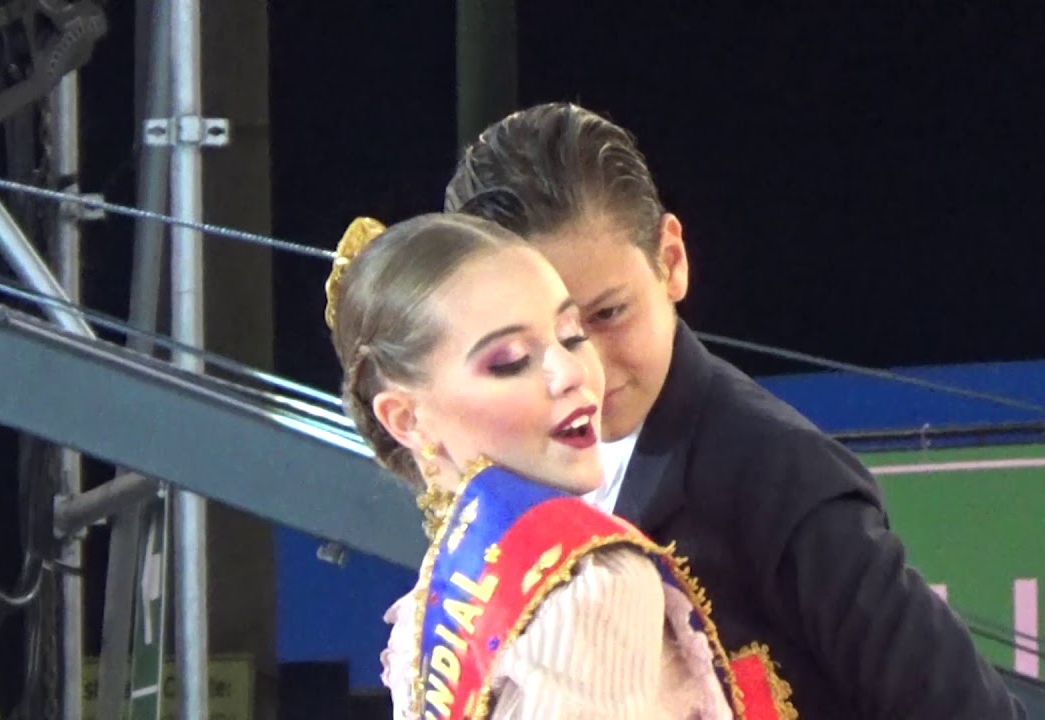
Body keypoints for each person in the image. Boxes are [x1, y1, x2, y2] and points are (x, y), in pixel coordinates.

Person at [443, 102, 1027, 719]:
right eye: (531, 344)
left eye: (608, 314)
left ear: (671, 261)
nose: (582, 367)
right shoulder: (499, 483)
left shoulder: (777, 473)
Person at [323, 213, 794, 719]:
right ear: (408, 419)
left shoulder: (425, 619)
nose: (572, 373)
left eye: (571, 336)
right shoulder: (593, 585)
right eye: (510, 360)